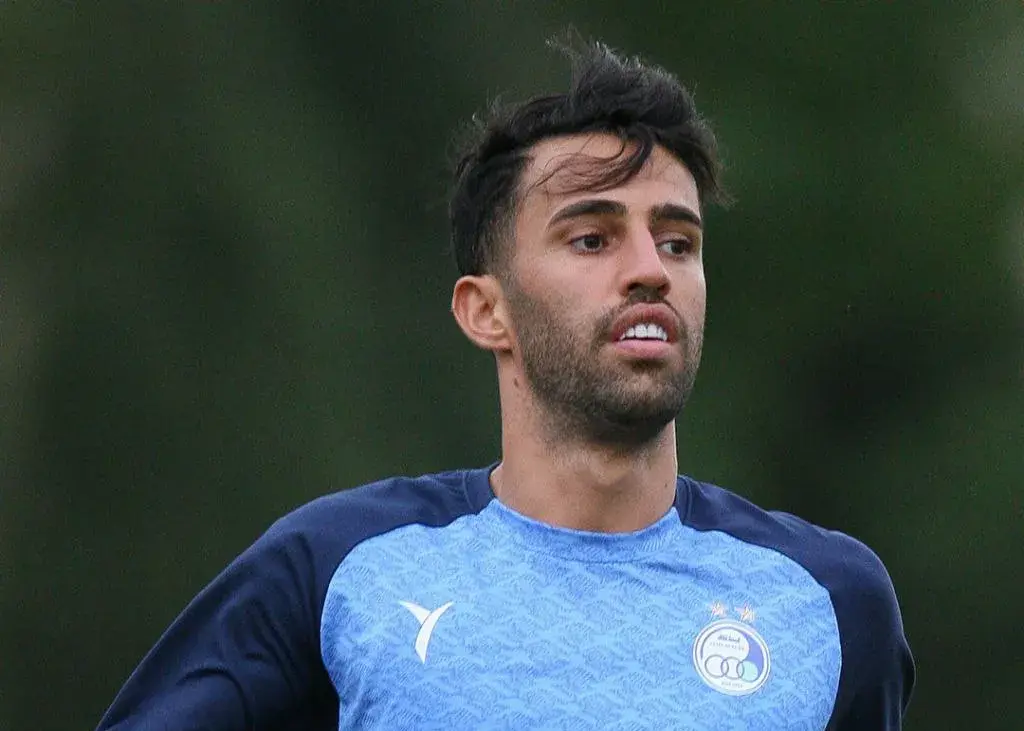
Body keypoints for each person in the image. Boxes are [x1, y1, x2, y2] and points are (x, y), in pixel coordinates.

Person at [96, 40, 914, 730]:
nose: (650, 271)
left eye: (677, 242)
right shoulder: (336, 568)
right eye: (592, 238)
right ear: (486, 311)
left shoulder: (828, 600)